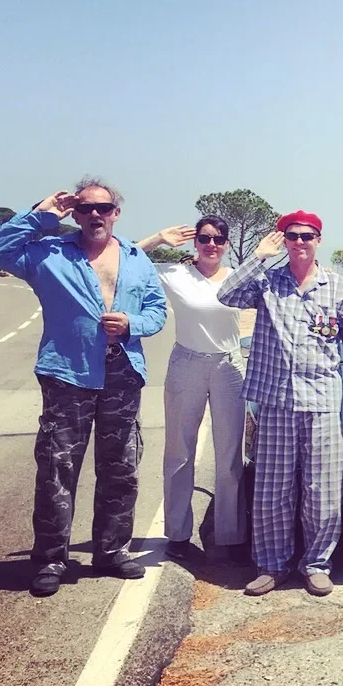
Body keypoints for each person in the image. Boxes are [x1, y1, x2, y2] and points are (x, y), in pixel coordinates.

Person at [0, 179, 167, 597]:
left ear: (115, 213)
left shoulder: (138, 259)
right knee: (56, 469)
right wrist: (46, 211)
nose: (94, 215)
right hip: (67, 374)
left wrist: (132, 325)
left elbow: (156, 310)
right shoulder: (49, 254)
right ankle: (51, 557)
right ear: (74, 213)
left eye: (103, 208)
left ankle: (112, 551)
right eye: (84, 208)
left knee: (120, 468)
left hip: (123, 372)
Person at [217, 210, 343, 598]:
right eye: (292, 236)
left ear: (319, 239)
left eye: (307, 236)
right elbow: (226, 294)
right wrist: (258, 255)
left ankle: (317, 564)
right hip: (276, 399)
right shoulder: (267, 281)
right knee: (272, 490)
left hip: (321, 399)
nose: (299, 242)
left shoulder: (336, 287)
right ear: (283, 240)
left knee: (323, 490)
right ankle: (271, 566)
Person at [136, 218, 248, 563]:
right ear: (194, 242)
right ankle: (178, 534)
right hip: (187, 362)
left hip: (229, 365)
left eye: (218, 239)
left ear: (227, 244)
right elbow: (126, 256)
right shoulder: (176, 273)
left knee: (230, 456)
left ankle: (230, 536)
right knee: (179, 452)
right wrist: (158, 237)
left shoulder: (236, 277)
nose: (210, 244)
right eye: (204, 238)